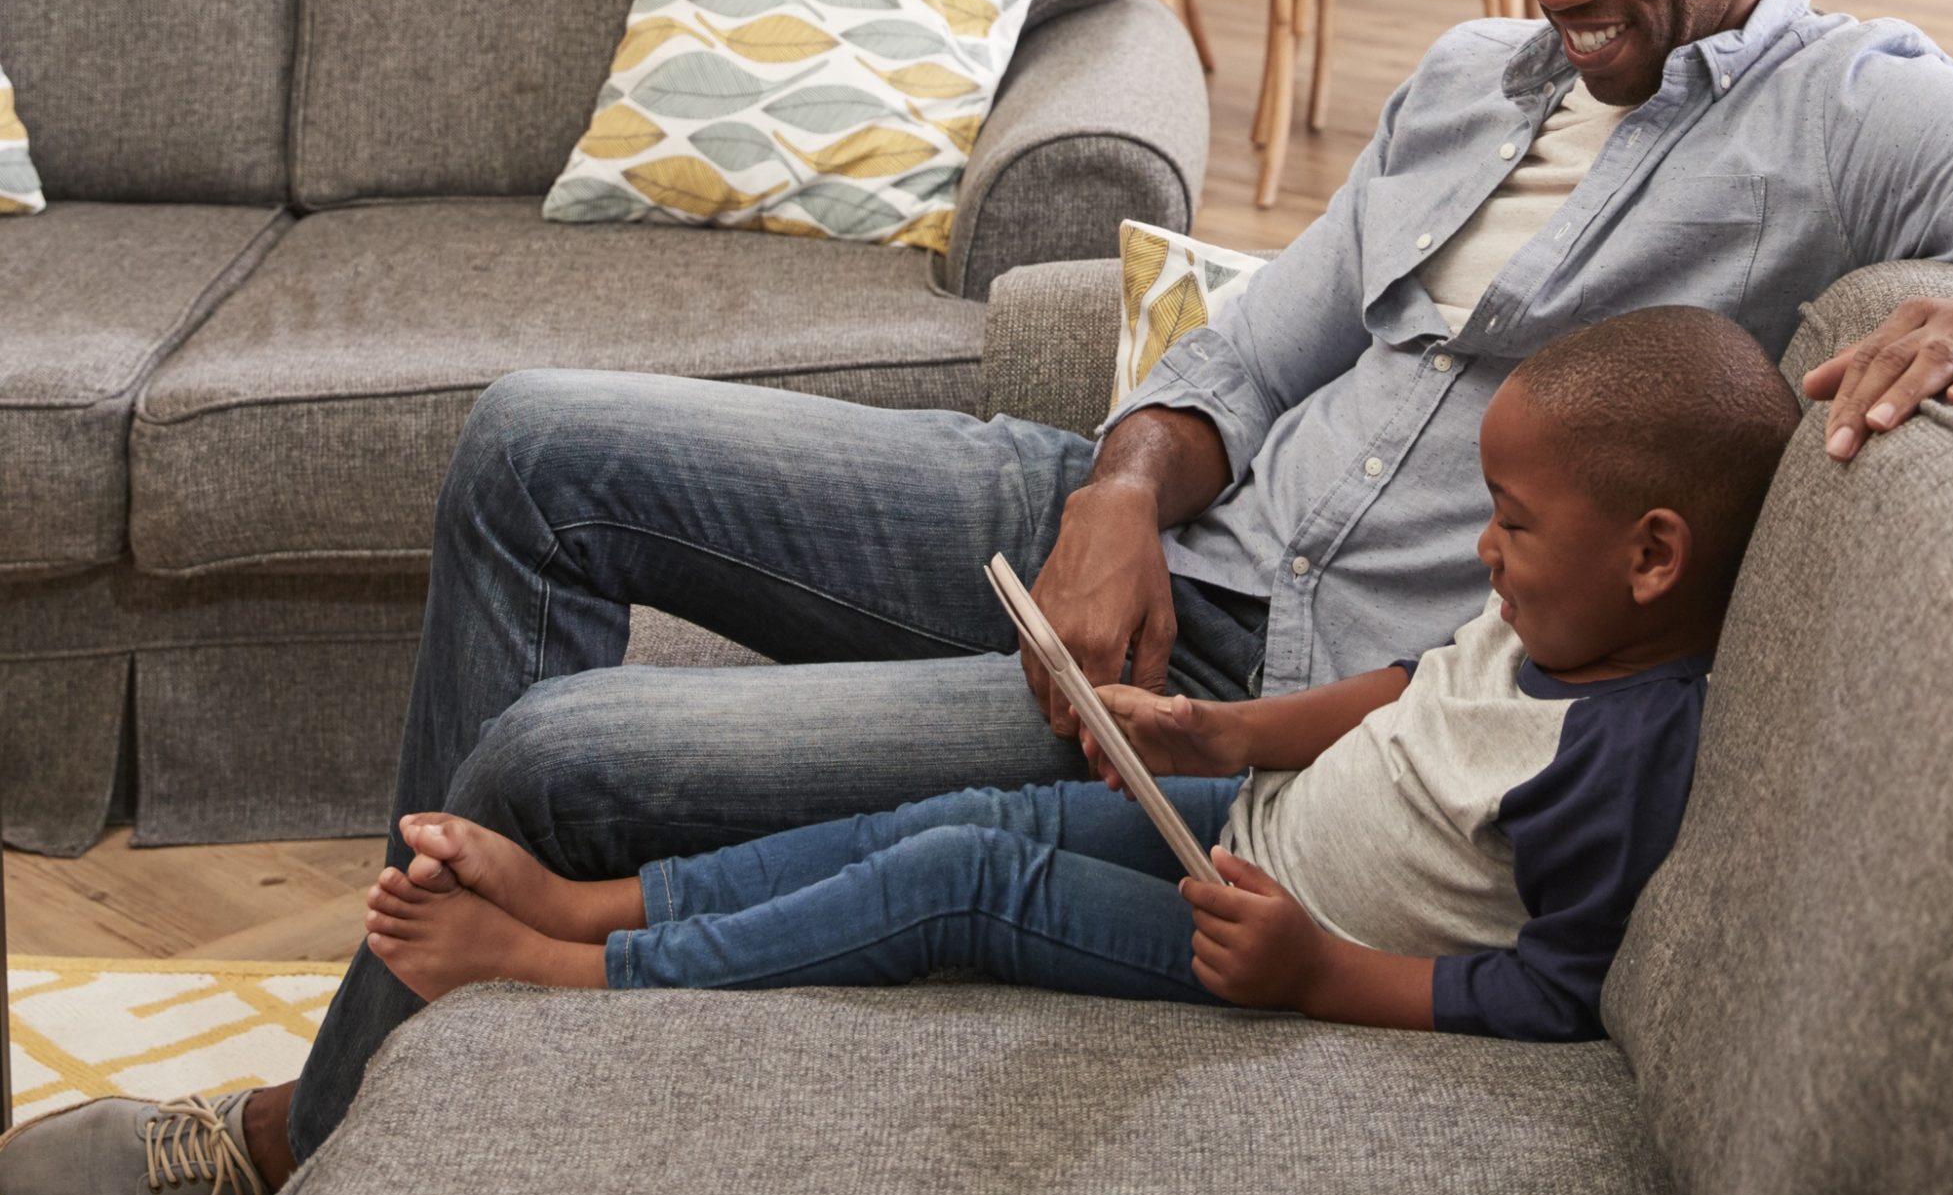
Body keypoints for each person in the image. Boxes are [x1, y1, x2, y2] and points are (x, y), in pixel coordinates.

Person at [0, 0, 1953, 1195]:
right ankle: (405, 1083)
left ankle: (340, 1133)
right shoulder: (1471, 74)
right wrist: (1128, 472)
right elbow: (1267, 327)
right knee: (529, 440)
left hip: (1278, 681)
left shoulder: (1854, 112)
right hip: (1154, 527)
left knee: (565, 754)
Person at [354, 306, 1797, 1040]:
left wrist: (1317, 975)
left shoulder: (1628, 751)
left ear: (1654, 557)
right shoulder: (1554, 621)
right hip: (1240, 828)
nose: (1484, 550)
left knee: (965, 888)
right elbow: (1413, 690)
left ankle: (581, 970)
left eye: (1514, 525)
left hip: (1265, 939)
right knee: (965, 818)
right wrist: (1222, 737)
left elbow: (1550, 999)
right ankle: (594, 900)